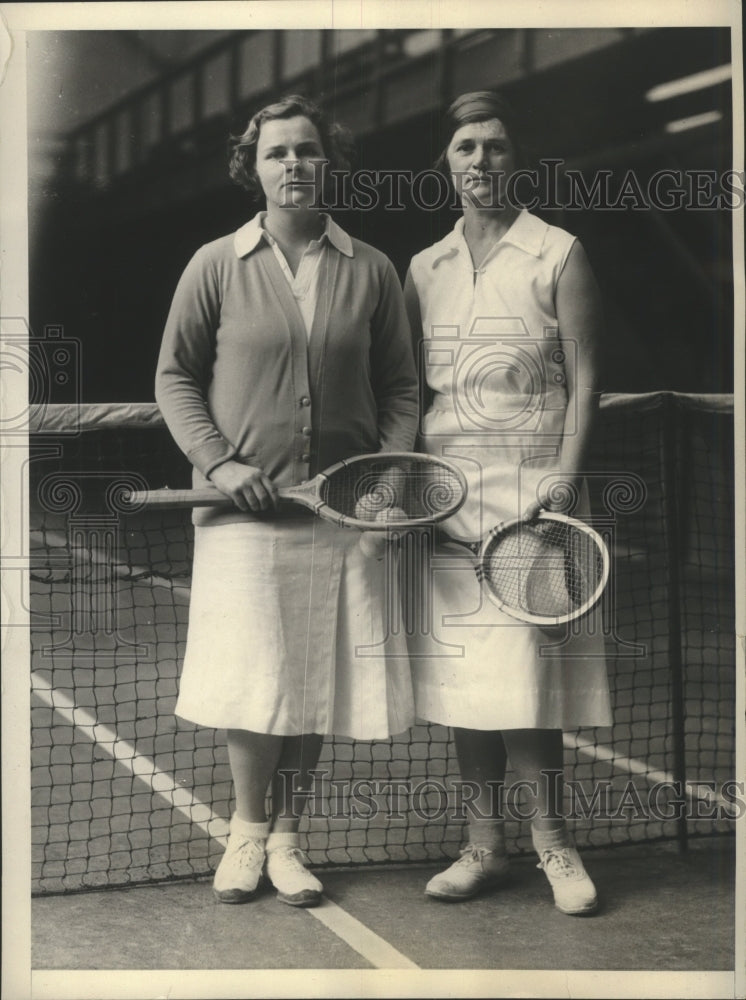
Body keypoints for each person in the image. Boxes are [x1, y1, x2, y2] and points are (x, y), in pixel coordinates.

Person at [155, 95, 418, 908]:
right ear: (254, 167)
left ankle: (289, 840)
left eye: (307, 149)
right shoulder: (215, 264)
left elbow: (401, 389)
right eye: (277, 153)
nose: (294, 163)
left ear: (328, 162)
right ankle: (245, 832)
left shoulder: (371, 268)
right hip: (243, 520)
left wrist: (385, 483)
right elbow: (174, 377)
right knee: (253, 678)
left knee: (312, 678)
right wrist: (220, 462)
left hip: (341, 517)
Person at [403, 91, 613, 914]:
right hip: (449, 498)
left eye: (494, 145)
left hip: (535, 496)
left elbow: (586, 380)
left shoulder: (558, 252)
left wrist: (562, 477)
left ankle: (554, 846)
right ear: (447, 164)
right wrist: (409, 485)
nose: (481, 160)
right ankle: (484, 848)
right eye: (466, 147)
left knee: (526, 683)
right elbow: (412, 390)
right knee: (469, 683)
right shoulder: (424, 267)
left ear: (515, 159)